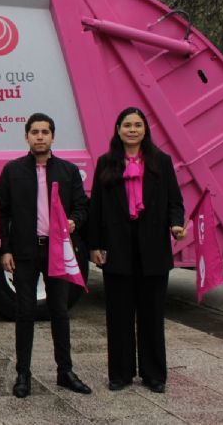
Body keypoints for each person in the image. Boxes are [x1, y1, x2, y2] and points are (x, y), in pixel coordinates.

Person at [86, 107, 186, 393]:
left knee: (152, 313)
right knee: (118, 314)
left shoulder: (161, 162)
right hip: (117, 245)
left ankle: (154, 375)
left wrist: (176, 224)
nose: (132, 130)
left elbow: (175, 202)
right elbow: (97, 208)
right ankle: (120, 373)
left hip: (153, 245)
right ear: (118, 129)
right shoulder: (106, 162)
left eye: (137, 125)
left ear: (145, 129)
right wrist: (94, 245)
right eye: (127, 125)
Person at [0, 113, 92, 398]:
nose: (40, 136)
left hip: (56, 251)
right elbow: (1, 212)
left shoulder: (67, 171)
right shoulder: (12, 171)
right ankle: (23, 375)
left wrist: (74, 221)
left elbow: (82, 206)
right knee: (24, 313)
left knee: (60, 312)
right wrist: (5, 250)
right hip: (24, 252)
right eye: (34, 132)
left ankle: (65, 371)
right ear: (26, 136)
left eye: (45, 132)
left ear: (52, 136)